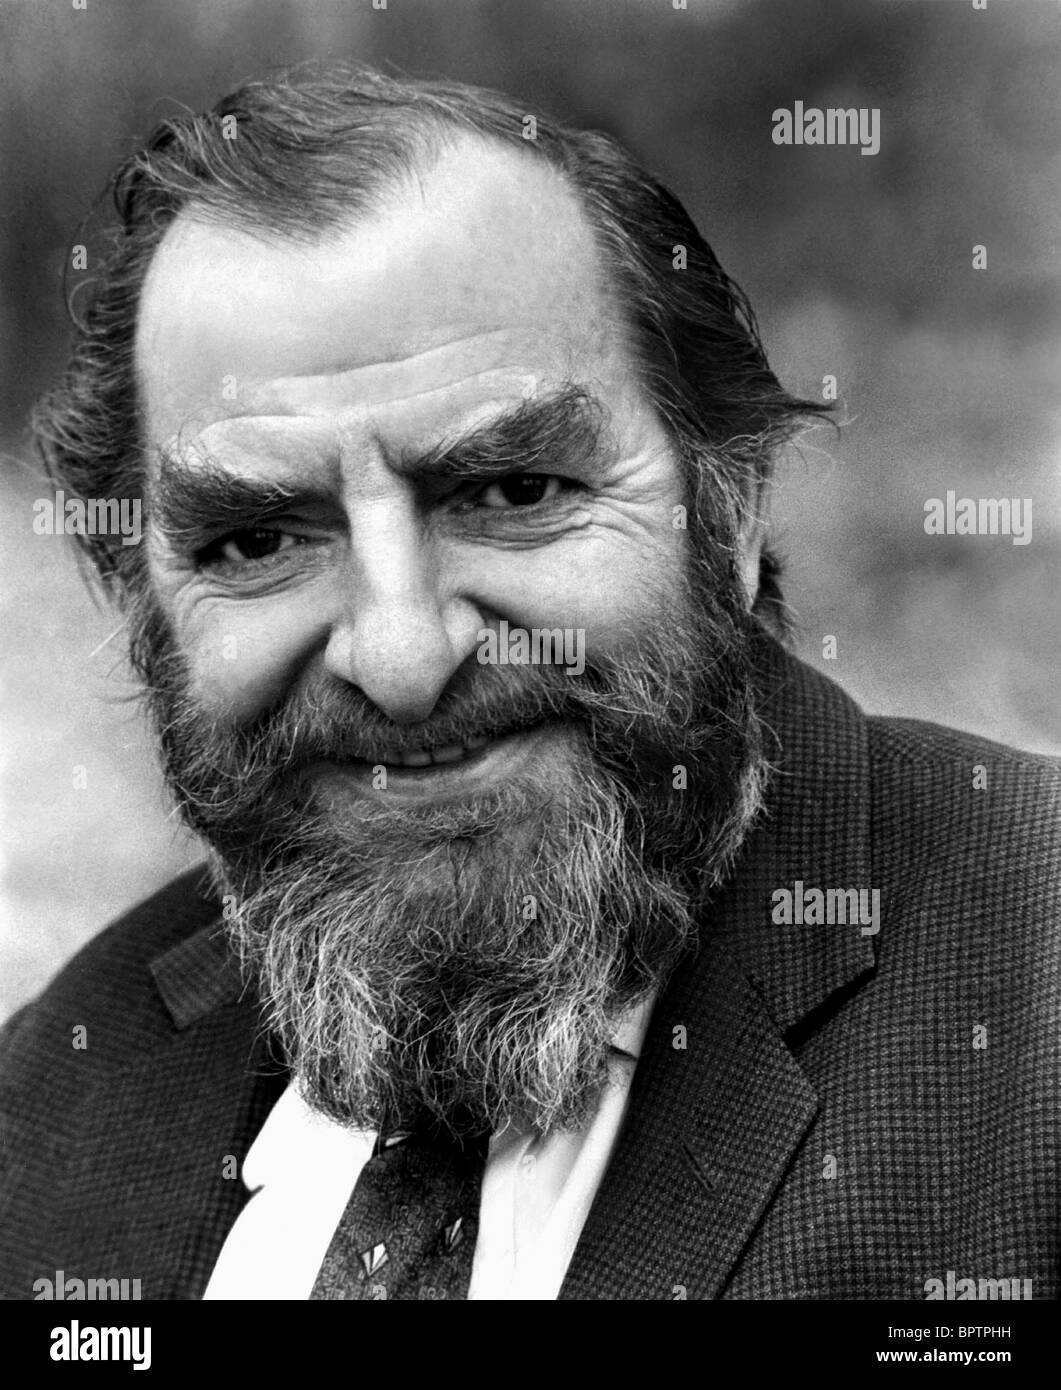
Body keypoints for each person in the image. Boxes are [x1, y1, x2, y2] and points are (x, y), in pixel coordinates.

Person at [1, 62, 1057, 1302]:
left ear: (727, 511)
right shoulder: (58, 1091)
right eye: (257, 541)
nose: (402, 661)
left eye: (510, 491)